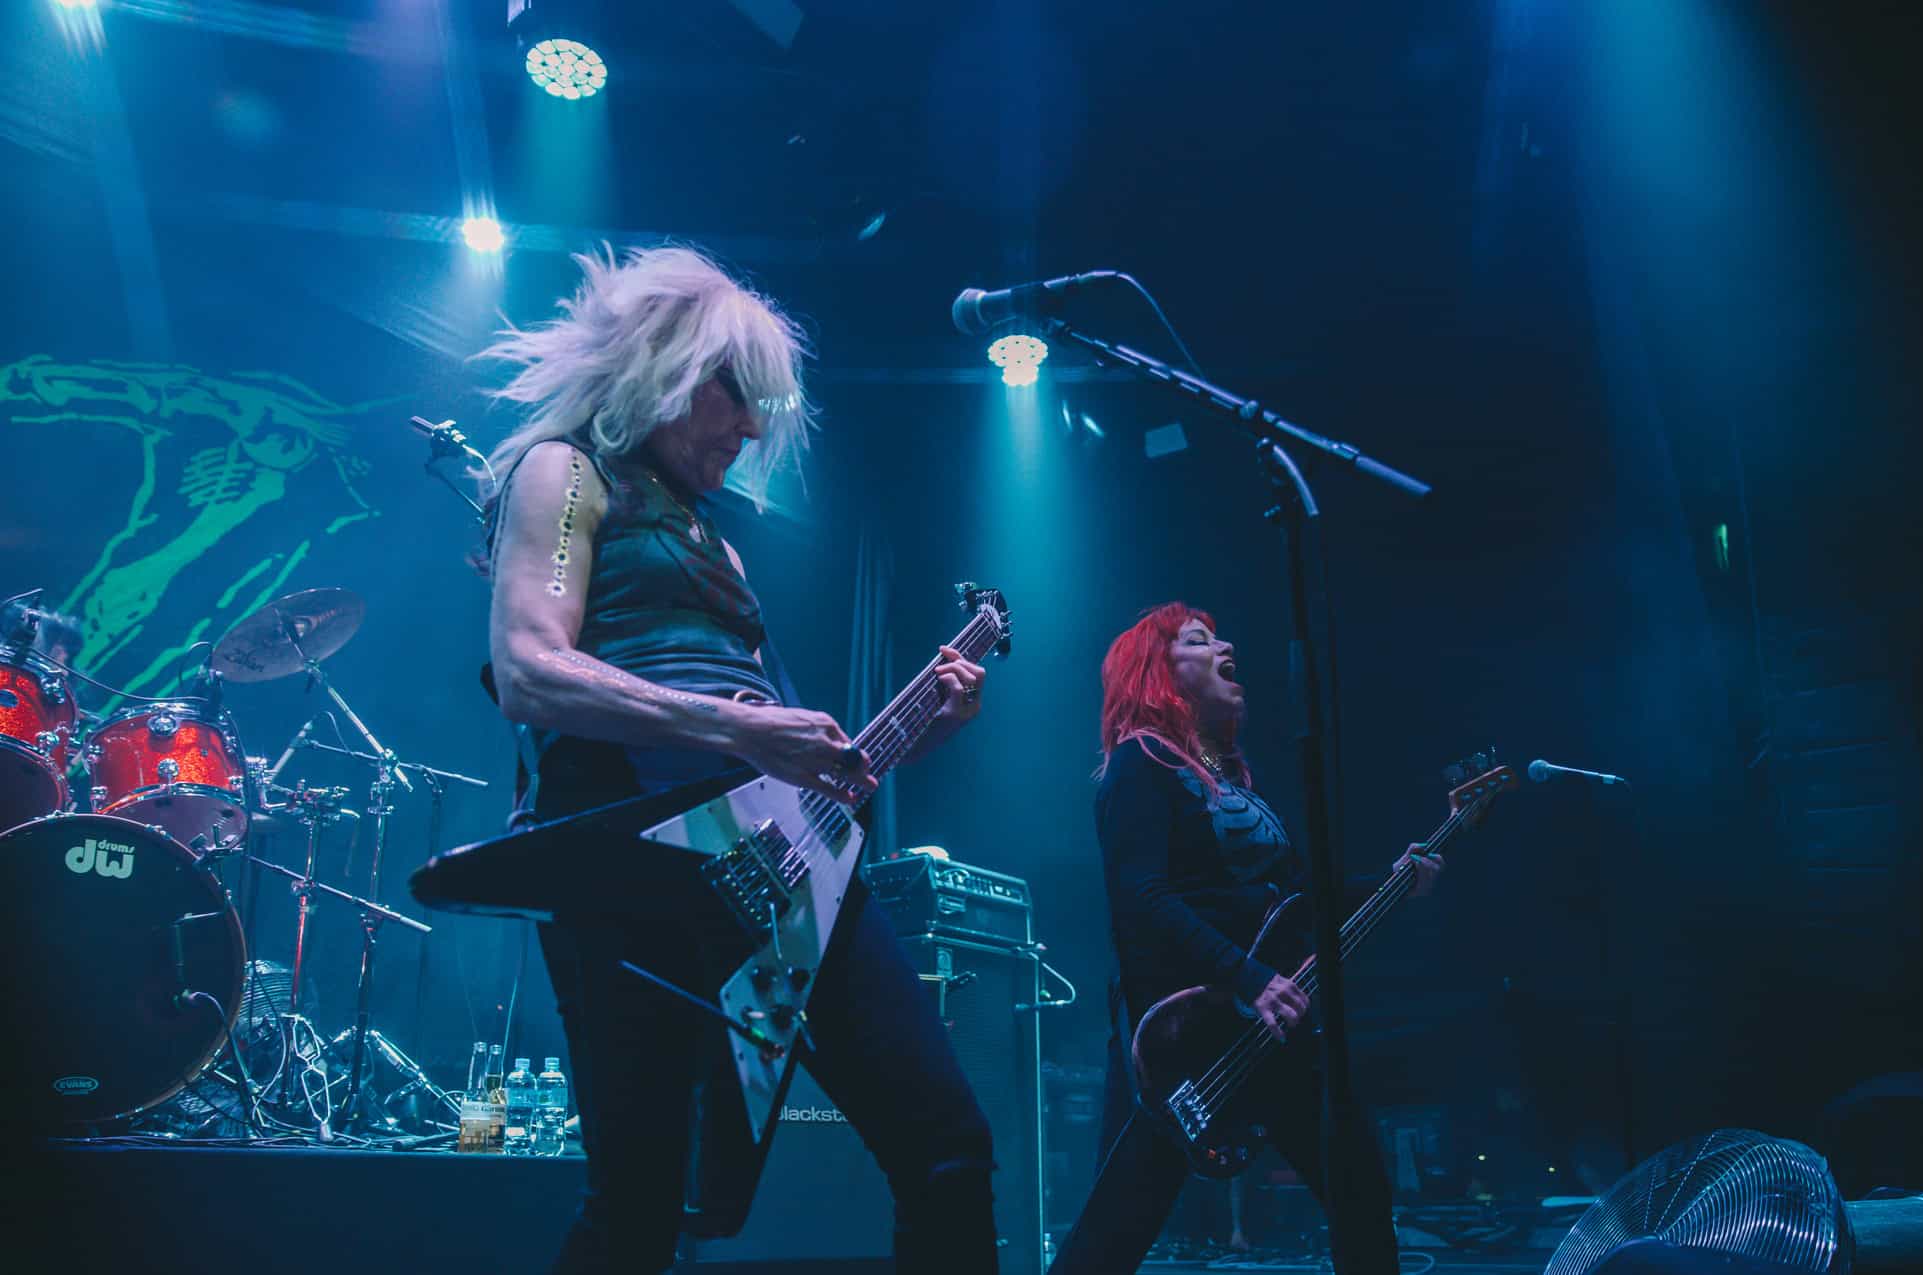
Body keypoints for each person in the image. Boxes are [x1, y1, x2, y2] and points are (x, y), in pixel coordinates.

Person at [478, 244, 998, 1273]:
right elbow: (530, 669)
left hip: (777, 874)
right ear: (670, 368)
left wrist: (916, 732)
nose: (753, 430)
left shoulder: (720, 546)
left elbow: (793, 756)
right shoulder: (566, 472)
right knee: (637, 1211)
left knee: (949, 1148)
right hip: (628, 867)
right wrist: (741, 728)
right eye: (740, 397)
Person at [1050, 603, 1444, 1275]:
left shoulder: (1231, 779)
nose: (1225, 645)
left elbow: (1300, 899)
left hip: (1269, 1029)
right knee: (1113, 1233)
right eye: (1198, 640)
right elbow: (1142, 897)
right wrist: (1249, 977)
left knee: (1359, 1189)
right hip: (1183, 1035)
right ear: (1157, 671)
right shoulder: (1141, 761)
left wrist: (1393, 880)